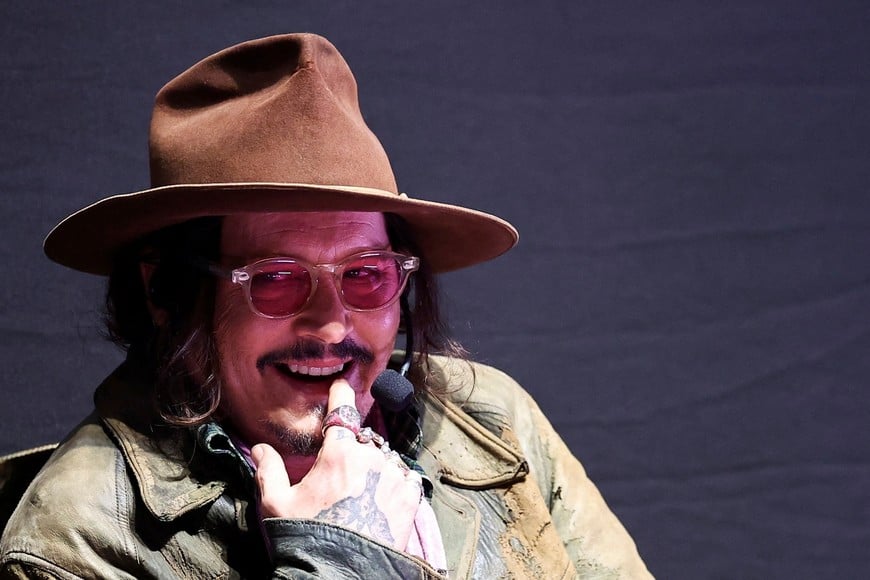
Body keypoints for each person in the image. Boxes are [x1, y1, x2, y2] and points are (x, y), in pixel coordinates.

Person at [0, 33, 652, 578]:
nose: (334, 325)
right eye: (277, 278)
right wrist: (342, 558)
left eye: (365, 274)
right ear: (166, 291)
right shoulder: (75, 541)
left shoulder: (490, 417)